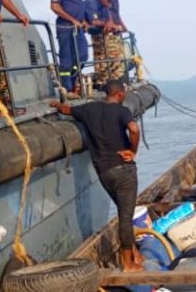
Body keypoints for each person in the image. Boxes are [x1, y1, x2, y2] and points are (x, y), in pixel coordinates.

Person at [49, 81, 143, 272]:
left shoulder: (89, 109)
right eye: (123, 93)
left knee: (123, 211)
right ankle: (128, 264)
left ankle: (135, 254)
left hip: (104, 172)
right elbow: (134, 129)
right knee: (126, 216)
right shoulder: (121, 111)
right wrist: (133, 150)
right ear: (118, 94)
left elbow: (67, 110)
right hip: (123, 171)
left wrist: (56, 105)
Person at [50, 0, 88, 99]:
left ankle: (73, 81)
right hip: (66, 28)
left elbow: (77, 6)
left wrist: (82, 21)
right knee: (66, 59)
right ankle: (67, 88)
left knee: (82, 56)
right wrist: (72, 20)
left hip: (78, 29)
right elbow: (54, 6)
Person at [84, 0, 115, 89]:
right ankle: (100, 82)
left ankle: (108, 79)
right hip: (93, 32)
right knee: (99, 58)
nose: (110, 2)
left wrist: (110, 24)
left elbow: (109, 18)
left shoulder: (105, 4)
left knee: (111, 57)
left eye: (111, 0)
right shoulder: (91, 3)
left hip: (102, 33)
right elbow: (94, 21)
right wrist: (105, 24)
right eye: (108, 0)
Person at [105, 0, 127, 83]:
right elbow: (108, 13)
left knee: (120, 57)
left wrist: (123, 26)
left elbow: (117, 15)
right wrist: (114, 26)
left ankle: (119, 79)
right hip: (112, 32)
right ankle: (114, 80)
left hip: (117, 31)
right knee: (115, 57)